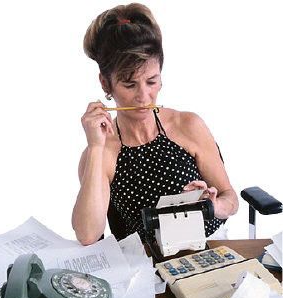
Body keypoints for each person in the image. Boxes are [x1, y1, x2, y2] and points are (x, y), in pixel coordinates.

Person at [72, 3, 238, 245]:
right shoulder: (101, 151)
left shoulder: (187, 125)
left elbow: (230, 198)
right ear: (106, 84)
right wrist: (96, 147)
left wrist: (215, 207)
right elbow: (87, 235)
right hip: (146, 264)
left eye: (151, 81)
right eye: (130, 84)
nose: (143, 96)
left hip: (210, 246)